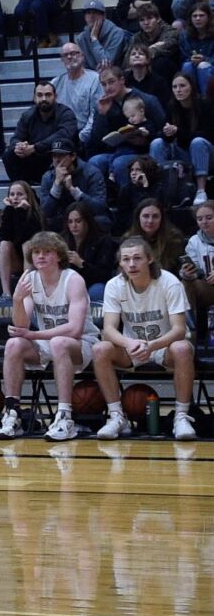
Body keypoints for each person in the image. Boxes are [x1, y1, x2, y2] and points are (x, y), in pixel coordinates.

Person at [94, 237, 197, 440]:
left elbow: (179, 329)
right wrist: (129, 343)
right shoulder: (114, 285)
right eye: (126, 259)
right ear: (120, 263)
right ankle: (116, 416)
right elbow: (108, 329)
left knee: (183, 347)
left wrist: (154, 345)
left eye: (137, 258)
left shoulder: (169, 282)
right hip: (133, 347)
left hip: (165, 346)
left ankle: (182, 417)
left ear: (149, 259)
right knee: (100, 349)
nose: (131, 264)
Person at [0, 231, 95, 441]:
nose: (40, 256)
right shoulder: (30, 279)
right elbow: (21, 324)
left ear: (59, 256)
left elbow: (75, 329)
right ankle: (12, 413)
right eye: (36, 252)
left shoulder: (73, 280)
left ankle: (64, 417)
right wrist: (17, 300)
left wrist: (34, 334)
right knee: (14, 344)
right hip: (47, 341)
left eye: (47, 252)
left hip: (82, 343)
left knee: (59, 342)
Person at [151, 72, 213, 205]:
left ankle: (201, 190)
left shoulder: (205, 104)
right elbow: (166, 137)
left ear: (191, 87)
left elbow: (207, 135)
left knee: (197, 142)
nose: (178, 90)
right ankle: (159, 188)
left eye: (182, 86)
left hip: (207, 153)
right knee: (157, 143)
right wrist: (167, 133)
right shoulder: (172, 106)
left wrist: (178, 131)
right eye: (174, 87)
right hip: (183, 152)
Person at [2, 80, 78, 183]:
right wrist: (19, 146)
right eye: (39, 95)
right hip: (36, 162)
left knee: (60, 152)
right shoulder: (27, 115)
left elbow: (63, 135)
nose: (44, 99)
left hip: (58, 159)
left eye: (48, 95)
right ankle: (26, 192)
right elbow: (16, 137)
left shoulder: (66, 113)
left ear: (55, 97)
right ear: (34, 98)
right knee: (9, 153)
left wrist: (35, 148)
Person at [38, 139, 108, 230]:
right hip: (62, 218)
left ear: (73, 156)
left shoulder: (92, 173)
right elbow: (45, 212)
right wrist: (56, 186)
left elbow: (99, 208)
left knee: (101, 220)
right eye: (54, 156)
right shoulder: (48, 177)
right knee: (47, 222)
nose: (57, 160)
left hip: (86, 217)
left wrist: (73, 190)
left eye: (61, 155)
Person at [0, 180, 44, 301]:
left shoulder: (35, 215)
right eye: (12, 194)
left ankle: (27, 291)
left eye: (19, 194)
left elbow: (25, 237)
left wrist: (21, 213)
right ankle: (6, 293)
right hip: (17, 260)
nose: (15, 197)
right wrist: (10, 210)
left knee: (27, 244)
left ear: (28, 196)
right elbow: (4, 235)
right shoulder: (8, 213)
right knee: (4, 244)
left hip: (35, 259)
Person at [64, 202, 119, 302]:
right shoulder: (63, 241)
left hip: (93, 284)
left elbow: (104, 275)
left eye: (78, 221)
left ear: (87, 221)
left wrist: (81, 264)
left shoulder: (103, 241)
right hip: (70, 283)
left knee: (97, 291)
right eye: (70, 222)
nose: (74, 225)